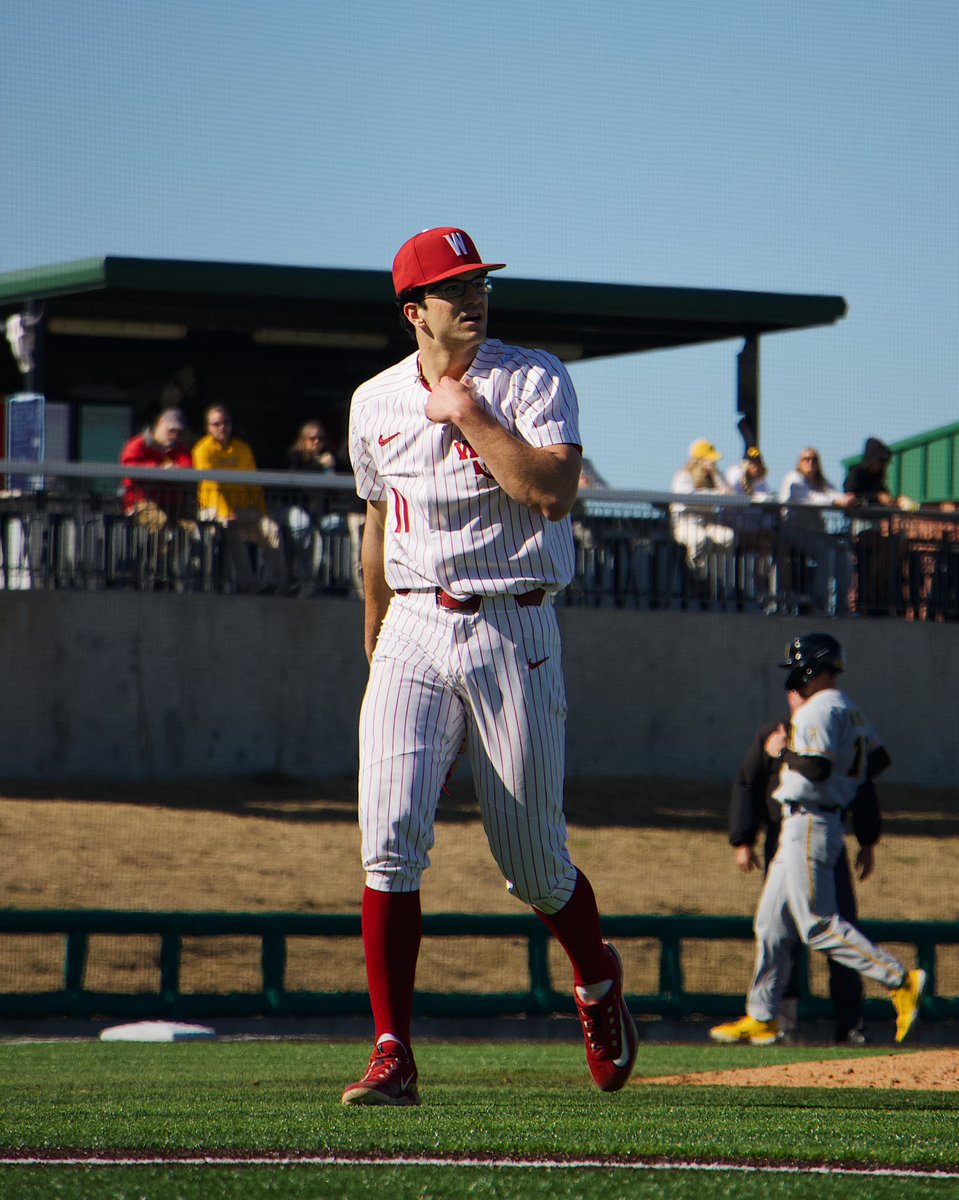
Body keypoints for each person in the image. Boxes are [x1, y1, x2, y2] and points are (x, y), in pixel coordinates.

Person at [341, 226, 637, 1107]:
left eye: (478, 283)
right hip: (414, 625)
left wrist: (467, 412)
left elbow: (549, 491)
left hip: (517, 626)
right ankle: (392, 1051)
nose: (471, 298)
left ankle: (595, 980)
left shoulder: (532, 377)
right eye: (453, 287)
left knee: (533, 867)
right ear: (412, 310)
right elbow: (375, 516)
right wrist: (373, 621)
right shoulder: (372, 402)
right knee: (387, 839)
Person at [710, 633, 925, 1047]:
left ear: (812, 668)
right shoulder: (848, 708)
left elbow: (818, 768)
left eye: (798, 668)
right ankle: (763, 1015)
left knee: (818, 925)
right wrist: (847, 777)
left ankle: (899, 979)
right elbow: (878, 760)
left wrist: (781, 753)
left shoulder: (817, 709)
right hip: (809, 822)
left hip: (809, 823)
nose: (794, 677)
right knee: (771, 924)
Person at [729, 687, 882, 1044]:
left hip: (824, 836)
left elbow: (863, 782)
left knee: (834, 923)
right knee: (779, 929)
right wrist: (743, 839)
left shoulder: (832, 734)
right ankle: (781, 1018)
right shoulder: (776, 733)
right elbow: (748, 783)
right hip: (783, 840)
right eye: (796, 692)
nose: (802, 699)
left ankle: (851, 1021)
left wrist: (868, 839)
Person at [192, 405, 287, 593]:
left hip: (242, 509)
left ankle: (275, 585)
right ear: (208, 427)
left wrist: (262, 512)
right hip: (214, 510)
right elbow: (211, 483)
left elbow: (254, 484)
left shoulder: (242, 448)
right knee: (231, 529)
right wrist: (226, 512)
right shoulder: (202, 449)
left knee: (271, 529)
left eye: (226, 422)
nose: (222, 427)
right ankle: (248, 585)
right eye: (216, 423)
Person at [778, 447, 855, 615]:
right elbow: (808, 498)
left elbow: (832, 493)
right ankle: (819, 602)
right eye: (806, 458)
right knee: (826, 551)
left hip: (815, 534)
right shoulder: (794, 478)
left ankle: (842, 605)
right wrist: (837, 501)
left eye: (814, 459)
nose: (810, 462)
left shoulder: (820, 482)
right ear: (799, 462)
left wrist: (847, 499)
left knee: (843, 552)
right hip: (794, 533)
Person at [285, 419, 348, 592]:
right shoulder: (296, 457)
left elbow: (345, 476)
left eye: (320, 438)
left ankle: (333, 579)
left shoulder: (331, 457)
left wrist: (333, 465)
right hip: (301, 508)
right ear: (303, 440)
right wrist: (319, 464)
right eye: (312, 438)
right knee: (302, 526)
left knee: (338, 525)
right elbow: (300, 479)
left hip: (324, 511)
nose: (316, 442)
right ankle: (303, 574)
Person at [670, 438, 735, 582]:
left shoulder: (713, 475)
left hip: (708, 523)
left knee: (728, 538)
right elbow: (688, 498)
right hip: (686, 523)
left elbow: (730, 495)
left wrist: (716, 474)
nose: (713, 463)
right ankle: (696, 579)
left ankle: (715, 578)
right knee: (699, 539)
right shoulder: (683, 475)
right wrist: (716, 494)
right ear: (699, 460)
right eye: (709, 460)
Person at [120, 408, 194, 532]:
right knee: (160, 521)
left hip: (172, 503)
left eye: (178, 432)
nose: (174, 435)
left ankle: (174, 550)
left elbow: (188, 466)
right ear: (160, 423)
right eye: (171, 429)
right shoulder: (137, 444)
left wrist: (177, 469)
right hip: (141, 502)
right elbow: (129, 468)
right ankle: (156, 551)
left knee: (190, 528)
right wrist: (159, 469)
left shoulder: (180, 448)